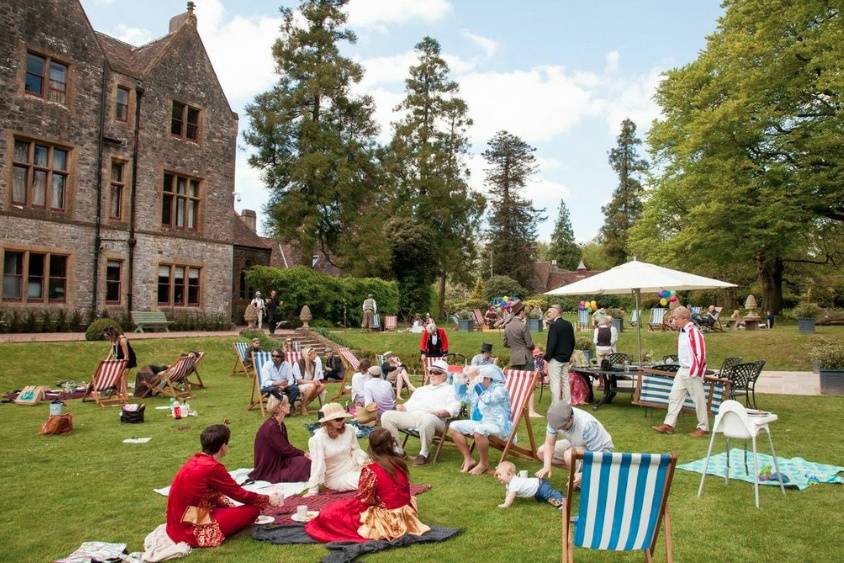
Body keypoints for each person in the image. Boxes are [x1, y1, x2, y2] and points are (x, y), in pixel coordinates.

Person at [305, 428, 430, 543]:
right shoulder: (399, 464)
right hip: (405, 514)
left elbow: (365, 500)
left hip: (386, 520)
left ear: (372, 446)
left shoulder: (371, 470)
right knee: (340, 507)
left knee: (331, 513)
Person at [165, 424, 282, 547]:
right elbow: (240, 494)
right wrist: (267, 499)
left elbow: (213, 494)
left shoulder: (195, 460)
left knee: (230, 508)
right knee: (253, 510)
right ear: (223, 446)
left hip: (177, 520)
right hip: (189, 526)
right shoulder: (213, 467)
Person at [380, 360, 461, 466]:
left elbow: (455, 408)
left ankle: (424, 454)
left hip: (437, 419)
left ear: (445, 375)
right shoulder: (421, 389)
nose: (432, 375)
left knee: (427, 418)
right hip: (414, 417)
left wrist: (442, 412)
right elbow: (408, 405)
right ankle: (398, 451)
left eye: (436, 372)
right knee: (386, 416)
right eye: (431, 372)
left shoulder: (451, 390)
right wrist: (402, 407)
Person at [652, 306, 710, 437]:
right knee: (674, 396)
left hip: (691, 371)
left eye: (675, 318)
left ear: (684, 319)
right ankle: (669, 425)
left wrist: (696, 372)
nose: (674, 320)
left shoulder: (694, 332)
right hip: (682, 370)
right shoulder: (682, 331)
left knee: (698, 400)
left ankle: (703, 427)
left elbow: (700, 354)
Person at [449, 365, 513, 476]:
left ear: (488, 379)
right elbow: (461, 397)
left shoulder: (500, 389)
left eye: (480, 378)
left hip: (500, 426)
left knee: (479, 430)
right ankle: (469, 459)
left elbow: (488, 399)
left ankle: (484, 464)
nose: (477, 380)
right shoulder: (480, 388)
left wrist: (476, 383)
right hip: (483, 422)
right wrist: (461, 381)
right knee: (453, 426)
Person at [535, 402, 614, 487]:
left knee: (569, 455)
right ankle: (577, 474)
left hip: (602, 451)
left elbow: (601, 456)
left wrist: (584, 474)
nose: (560, 429)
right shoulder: (555, 419)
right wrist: (547, 466)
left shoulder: (587, 425)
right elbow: (549, 444)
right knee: (542, 452)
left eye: (563, 426)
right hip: (576, 442)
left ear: (571, 418)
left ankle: (586, 477)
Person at [305, 403, 369, 495]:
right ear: (328, 420)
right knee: (368, 480)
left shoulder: (349, 429)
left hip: (355, 468)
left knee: (379, 474)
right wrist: (313, 489)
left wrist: (363, 463)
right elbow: (317, 464)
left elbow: (356, 450)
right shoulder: (318, 439)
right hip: (336, 477)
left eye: (342, 418)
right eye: (337, 419)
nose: (340, 421)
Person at [249, 395, 311, 483]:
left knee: (305, 461)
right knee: (305, 463)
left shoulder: (279, 424)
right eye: (287, 404)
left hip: (280, 461)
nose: (289, 405)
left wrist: (301, 455)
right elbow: (285, 449)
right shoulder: (271, 427)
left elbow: (286, 447)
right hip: (270, 468)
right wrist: (303, 453)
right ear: (281, 407)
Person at [495, 461, 564, 510]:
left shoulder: (514, 483)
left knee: (549, 496)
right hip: (536, 489)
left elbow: (511, 496)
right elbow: (509, 492)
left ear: (509, 474)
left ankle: (562, 503)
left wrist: (506, 504)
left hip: (540, 486)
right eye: (497, 475)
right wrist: (506, 499)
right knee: (542, 500)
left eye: (500, 475)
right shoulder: (509, 483)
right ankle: (556, 493)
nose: (498, 477)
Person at [544, 304, 575, 405]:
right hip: (565, 358)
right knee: (565, 381)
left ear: (557, 312)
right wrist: (569, 354)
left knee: (555, 382)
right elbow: (572, 342)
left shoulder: (554, 325)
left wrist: (547, 357)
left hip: (555, 359)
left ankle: (556, 405)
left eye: (550, 312)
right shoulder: (568, 324)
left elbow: (551, 344)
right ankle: (567, 403)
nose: (549, 314)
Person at [293, 347, 325, 415]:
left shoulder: (314, 364)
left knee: (322, 386)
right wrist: (312, 382)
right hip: (299, 385)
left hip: (310, 384)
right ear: (308, 355)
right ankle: (303, 406)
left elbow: (315, 377)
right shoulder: (298, 364)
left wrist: (316, 381)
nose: (315, 355)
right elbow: (299, 381)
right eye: (313, 354)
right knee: (312, 386)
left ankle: (303, 405)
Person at [504, 301, 534, 370]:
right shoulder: (523, 326)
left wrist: (514, 346)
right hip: (525, 358)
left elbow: (505, 343)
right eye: (524, 311)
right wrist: (533, 347)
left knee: (517, 379)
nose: (524, 313)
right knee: (528, 380)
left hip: (514, 358)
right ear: (521, 312)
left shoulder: (507, 326)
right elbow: (529, 344)